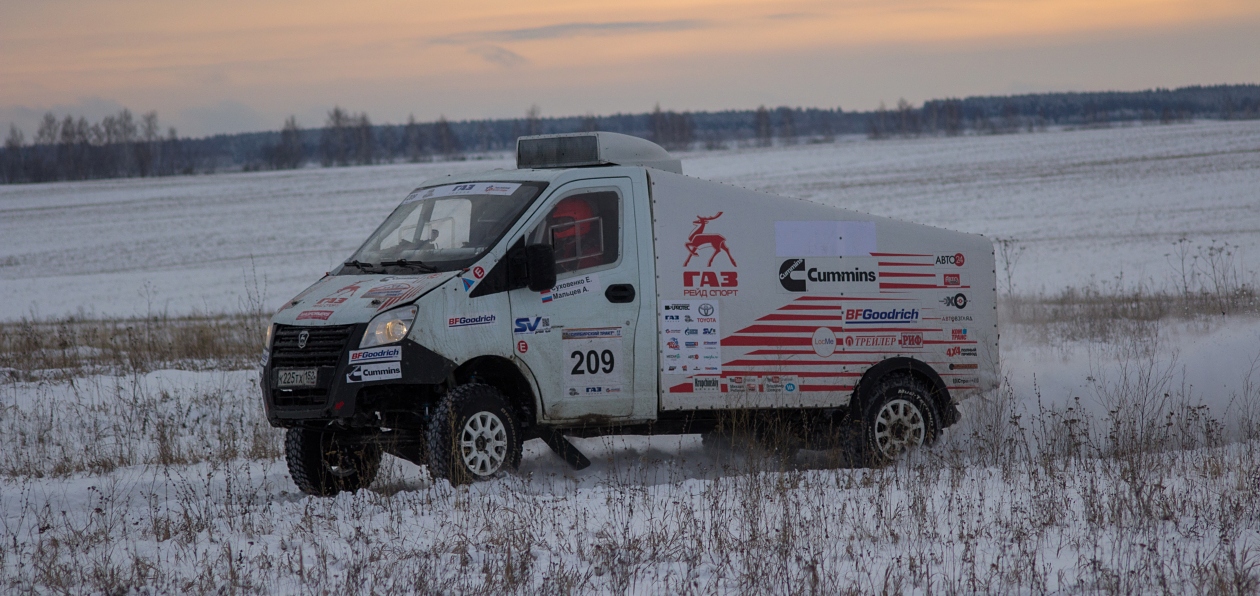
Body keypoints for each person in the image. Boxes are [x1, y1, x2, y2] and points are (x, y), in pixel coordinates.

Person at [547, 196, 604, 273]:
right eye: (557, 220)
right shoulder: (563, 244)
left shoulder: (589, 254)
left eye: (564, 220)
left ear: (580, 221)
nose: (559, 224)